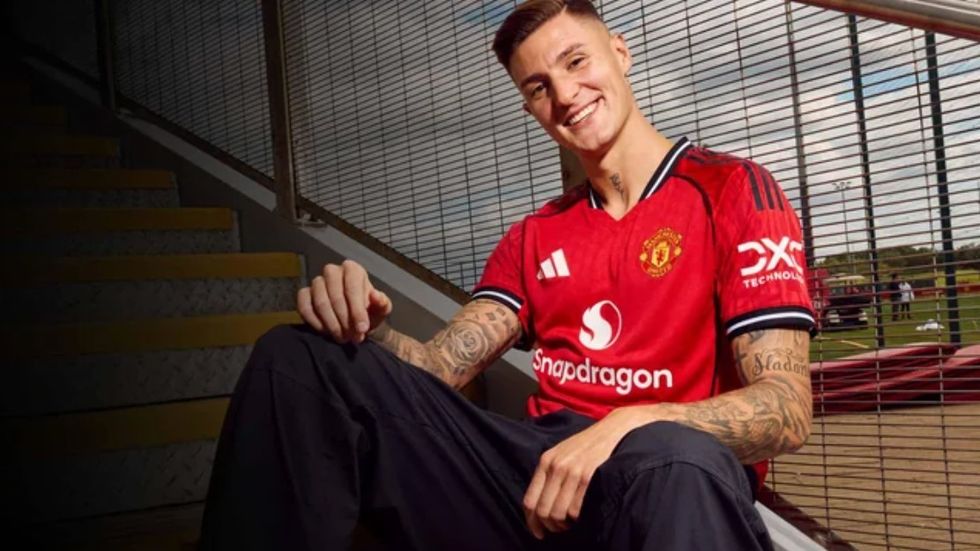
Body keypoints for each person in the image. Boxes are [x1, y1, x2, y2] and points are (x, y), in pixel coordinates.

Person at [199, 1, 815, 549]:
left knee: (677, 457)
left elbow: (786, 409)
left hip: (663, 479)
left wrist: (630, 421)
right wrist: (365, 323)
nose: (566, 94)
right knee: (296, 356)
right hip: (535, 482)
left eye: (577, 61)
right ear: (530, 107)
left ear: (620, 52)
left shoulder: (731, 189)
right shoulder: (535, 234)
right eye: (539, 87)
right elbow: (438, 371)